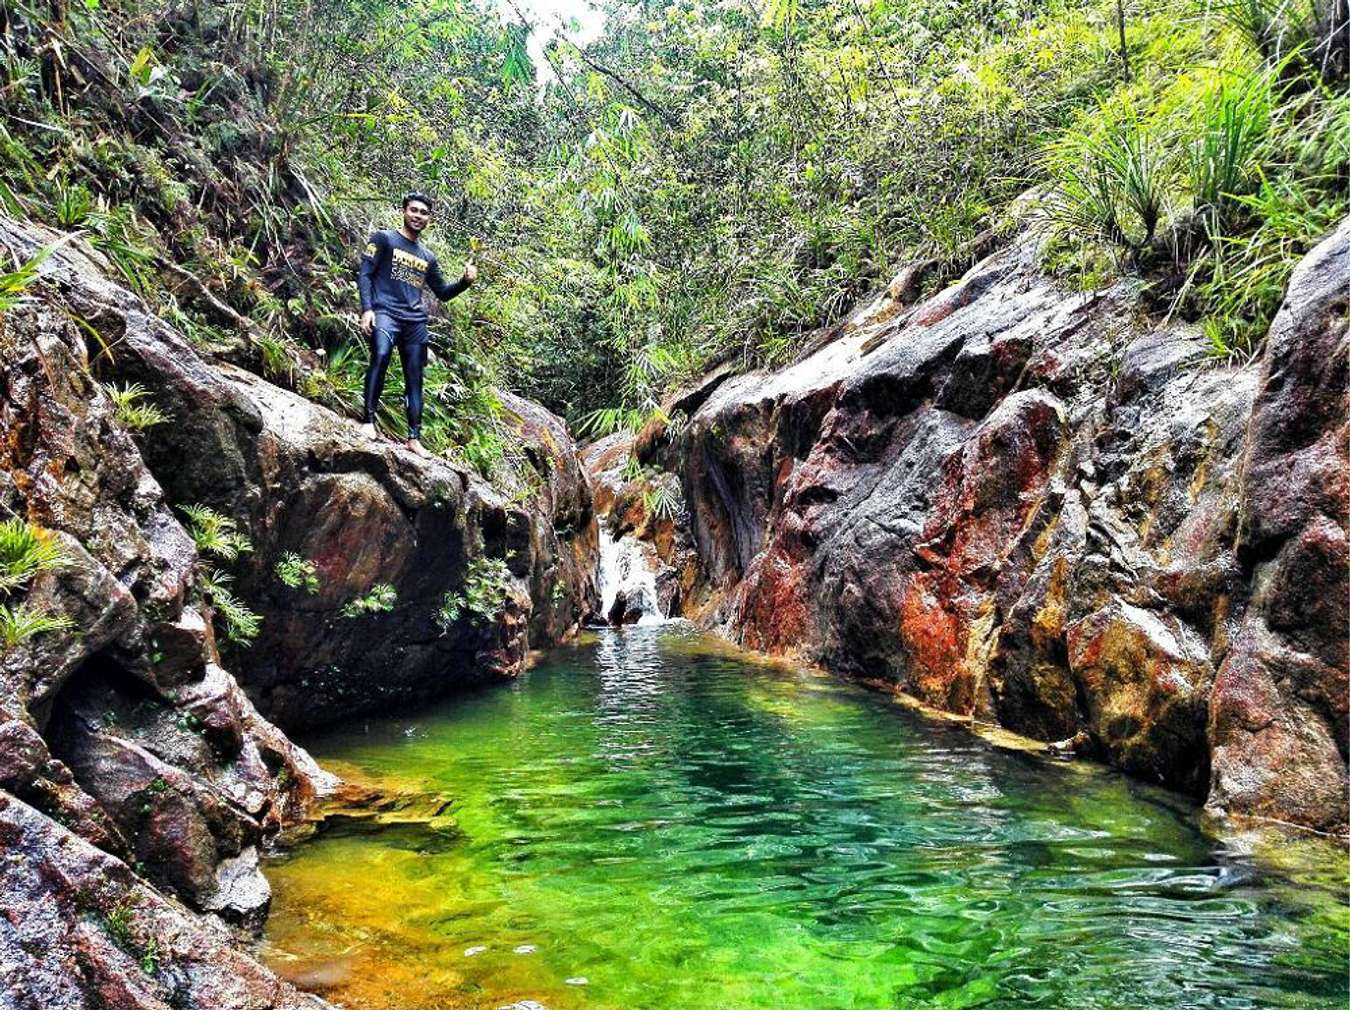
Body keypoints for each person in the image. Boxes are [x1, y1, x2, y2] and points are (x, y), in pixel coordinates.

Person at [356, 192, 478, 456]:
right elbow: (365, 274)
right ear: (404, 211)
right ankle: (368, 421)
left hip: (414, 321)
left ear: (429, 219)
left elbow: (442, 293)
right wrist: (367, 310)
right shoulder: (384, 239)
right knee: (380, 355)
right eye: (414, 210)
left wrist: (465, 282)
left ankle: (413, 438)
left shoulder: (427, 256)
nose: (417, 216)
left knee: (415, 377)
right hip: (385, 313)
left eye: (423, 213)